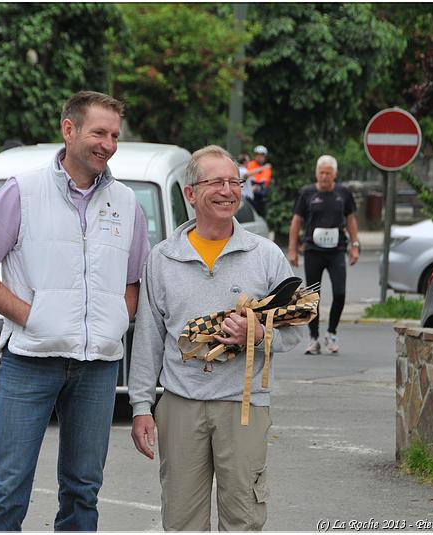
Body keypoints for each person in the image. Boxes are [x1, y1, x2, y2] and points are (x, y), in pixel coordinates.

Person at [0, 90, 150, 531]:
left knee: (83, 491)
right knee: (7, 489)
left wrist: (114, 323)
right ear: (69, 130)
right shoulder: (22, 191)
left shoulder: (127, 203)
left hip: (98, 367)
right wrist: (31, 317)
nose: (108, 144)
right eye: (99, 133)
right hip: (30, 360)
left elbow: (133, 283)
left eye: (114, 135)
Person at [128, 145, 305, 531]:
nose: (228, 191)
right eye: (217, 182)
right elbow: (148, 338)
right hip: (180, 404)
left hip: (243, 406)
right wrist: (141, 405)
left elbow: (298, 330)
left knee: (243, 519)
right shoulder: (162, 258)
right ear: (190, 194)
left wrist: (258, 333)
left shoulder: (266, 255)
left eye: (234, 182)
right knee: (181, 521)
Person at [288, 154, 359, 354]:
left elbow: (351, 219)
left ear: (335, 174)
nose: (325, 176)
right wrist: (293, 249)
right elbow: (296, 221)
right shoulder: (307, 193)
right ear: (316, 173)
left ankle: (332, 332)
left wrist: (355, 245)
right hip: (313, 251)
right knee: (313, 296)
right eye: (321, 173)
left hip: (336, 250)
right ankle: (314, 338)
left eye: (328, 173)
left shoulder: (343, 193)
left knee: (340, 293)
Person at [246, 144, 272, 215]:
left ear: (265, 157)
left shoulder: (267, 168)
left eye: (262, 155)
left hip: (261, 197)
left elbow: (264, 181)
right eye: (257, 154)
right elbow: (247, 176)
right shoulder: (250, 164)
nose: (259, 157)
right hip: (250, 196)